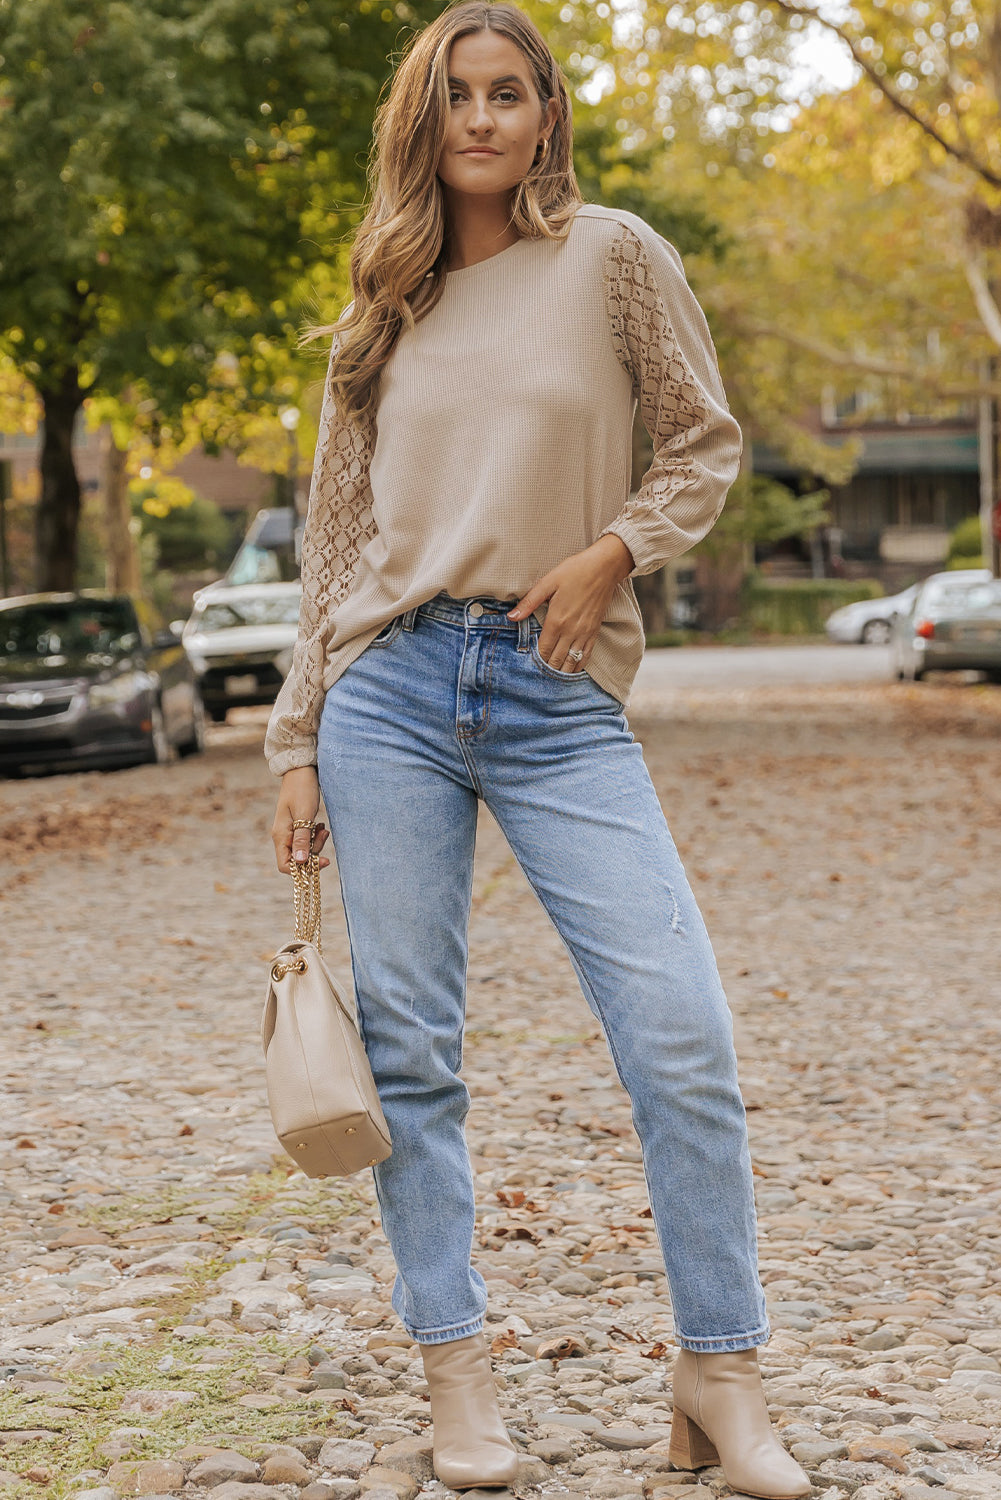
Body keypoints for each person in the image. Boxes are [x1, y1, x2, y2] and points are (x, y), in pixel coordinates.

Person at [267, 3, 811, 1495]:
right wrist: (295, 739)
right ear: (423, 124)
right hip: (388, 691)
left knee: (681, 1034)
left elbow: (701, 441)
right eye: (458, 96)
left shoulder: (615, 258)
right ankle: (457, 1378)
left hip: (555, 685)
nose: (485, 120)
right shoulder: (379, 308)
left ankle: (721, 1374)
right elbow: (332, 542)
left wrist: (610, 555)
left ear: (545, 111)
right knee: (416, 1059)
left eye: (511, 93)